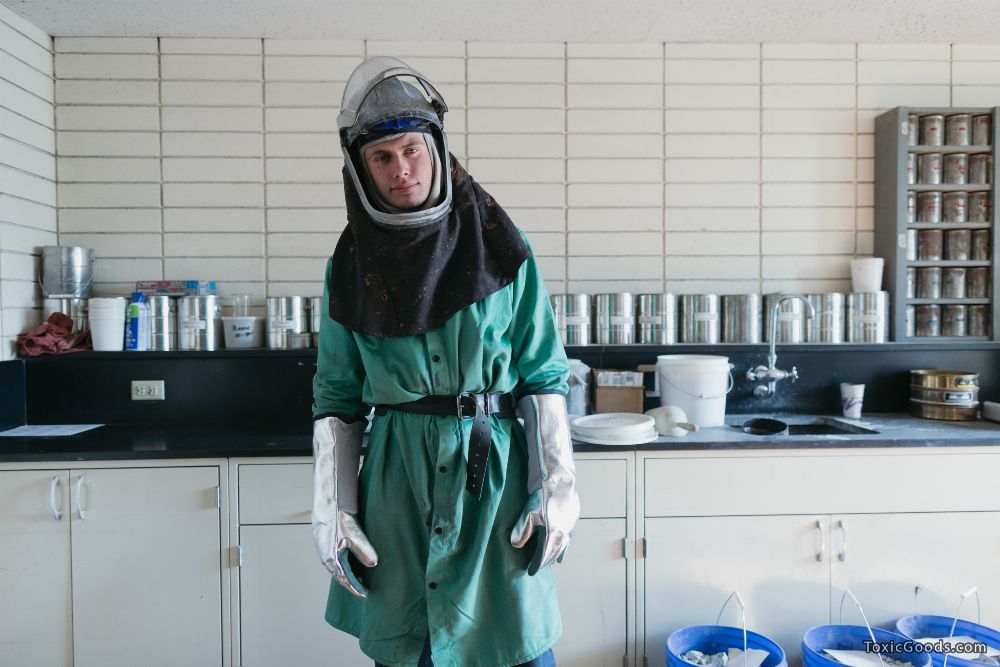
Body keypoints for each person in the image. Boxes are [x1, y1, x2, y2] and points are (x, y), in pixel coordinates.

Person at [311, 56, 581, 667]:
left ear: (436, 147)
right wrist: (334, 506)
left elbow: (541, 375)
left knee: (517, 645)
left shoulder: (501, 246)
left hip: (496, 489)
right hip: (395, 490)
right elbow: (336, 397)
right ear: (360, 167)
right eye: (381, 157)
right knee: (414, 649)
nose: (400, 169)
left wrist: (556, 486)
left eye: (411, 148)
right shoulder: (349, 265)